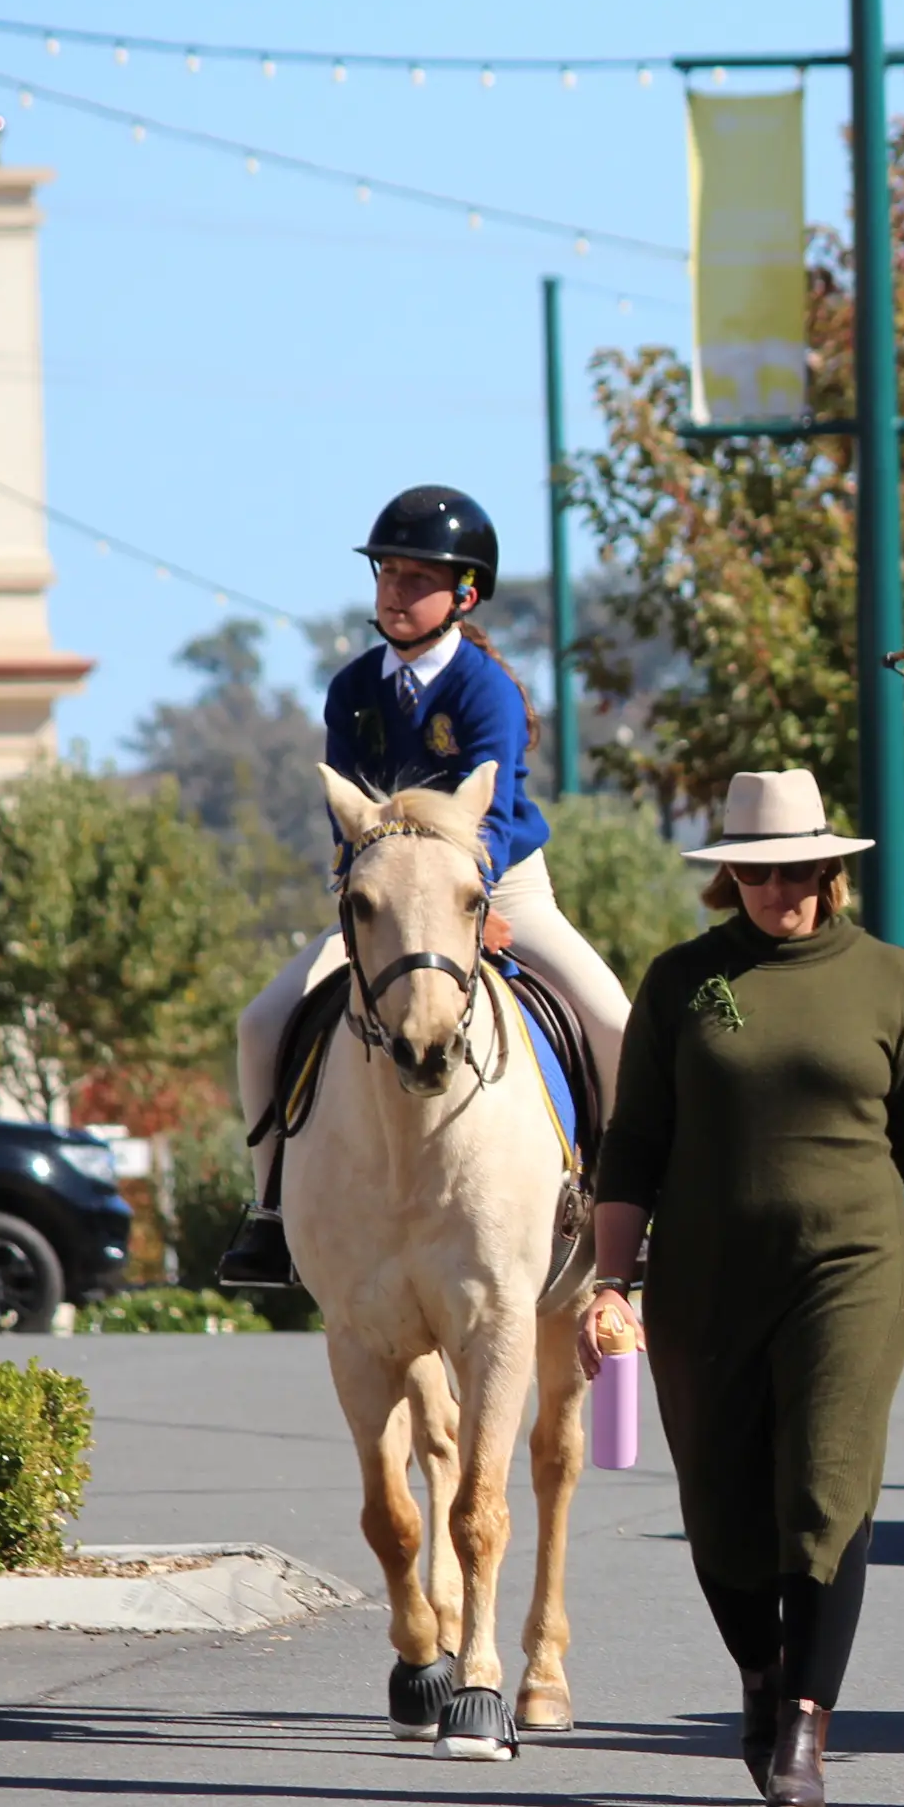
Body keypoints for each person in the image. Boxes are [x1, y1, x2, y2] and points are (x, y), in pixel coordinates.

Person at [580, 770, 904, 1807]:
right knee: (721, 1515)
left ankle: (807, 1723)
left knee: (825, 1489)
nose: (781, 890)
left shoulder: (894, 981)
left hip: (851, 1271)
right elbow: (634, 1147)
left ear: (831, 867)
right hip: (705, 1282)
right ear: (730, 875)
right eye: (758, 872)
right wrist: (608, 1282)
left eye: (799, 869)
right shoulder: (681, 981)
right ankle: (760, 1681)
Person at [217, 485, 633, 1290]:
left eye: (415, 579)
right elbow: (348, 808)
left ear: (464, 593)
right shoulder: (352, 689)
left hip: (499, 890)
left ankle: (625, 1212)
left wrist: (471, 910)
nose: (393, 594)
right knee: (260, 1024)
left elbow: (501, 810)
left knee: (616, 1023)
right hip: (382, 903)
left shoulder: (485, 688)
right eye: (386, 576)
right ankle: (270, 1211)